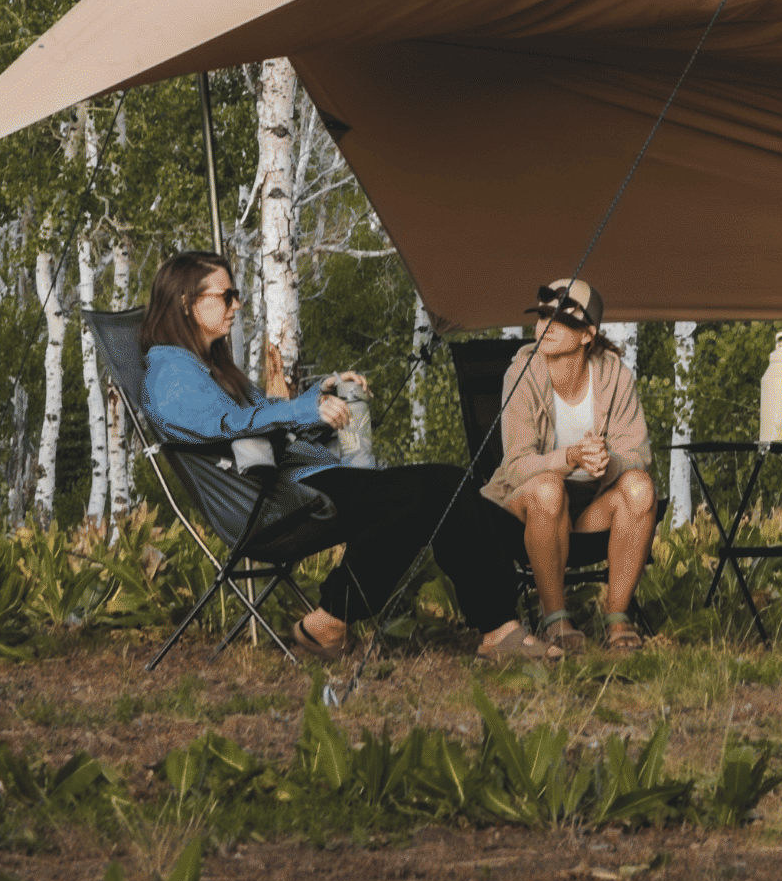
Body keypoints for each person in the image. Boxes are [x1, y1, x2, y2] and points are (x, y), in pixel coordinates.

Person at [139, 251, 555, 663]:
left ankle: (335, 621)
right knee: (436, 489)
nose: (237, 305)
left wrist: (325, 392)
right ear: (187, 302)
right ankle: (500, 610)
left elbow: (262, 415)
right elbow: (227, 422)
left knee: (434, 492)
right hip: (273, 501)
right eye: (227, 295)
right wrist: (303, 409)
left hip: (298, 482)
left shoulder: (205, 366)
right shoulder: (169, 372)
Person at [480, 276, 658, 655]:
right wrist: (570, 457)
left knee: (640, 486)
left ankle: (617, 617)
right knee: (548, 487)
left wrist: (605, 460)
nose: (545, 326)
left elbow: (638, 451)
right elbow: (515, 466)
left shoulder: (614, 376)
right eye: (542, 316)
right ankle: (555, 618)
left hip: (590, 509)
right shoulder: (522, 375)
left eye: (561, 320)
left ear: (586, 335)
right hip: (524, 510)